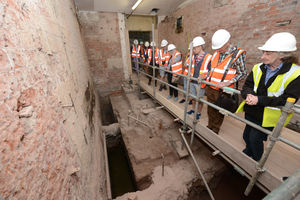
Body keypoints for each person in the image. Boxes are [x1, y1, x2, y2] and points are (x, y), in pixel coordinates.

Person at [236, 32, 300, 161]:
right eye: (263, 52)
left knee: (255, 139)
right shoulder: (258, 68)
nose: (262, 57)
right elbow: (247, 85)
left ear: (282, 55)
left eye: (267, 53)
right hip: (252, 110)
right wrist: (248, 94)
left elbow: (288, 99)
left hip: (268, 116)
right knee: (246, 136)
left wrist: (258, 99)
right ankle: (248, 150)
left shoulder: (295, 73)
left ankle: (257, 161)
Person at [206, 29, 247, 134]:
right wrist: (206, 77)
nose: (218, 49)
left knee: (220, 111)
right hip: (210, 87)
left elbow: (242, 73)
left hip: (223, 90)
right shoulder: (216, 53)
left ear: (227, 43)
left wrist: (228, 83)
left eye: (220, 47)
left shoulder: (237, 55)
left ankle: (215, 129)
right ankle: (209, 125)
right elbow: (212, 68)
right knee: (210, 109)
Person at [185, 36, 212, 120]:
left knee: (199, 99)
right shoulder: (193, 56)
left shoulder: (208, 57)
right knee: (193, 97)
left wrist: (205, 76)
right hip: (193, 80)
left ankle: (199, 113)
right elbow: (186, 65)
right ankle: (193, 109)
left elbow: (211, 71)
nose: (193, 50)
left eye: (194, 48)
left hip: (201, 83)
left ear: (200, 46)